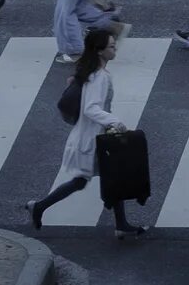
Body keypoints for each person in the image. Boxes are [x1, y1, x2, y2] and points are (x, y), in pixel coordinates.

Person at [26, 27, 148, 237]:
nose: (115, 48)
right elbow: (91, 108)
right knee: (89, 180)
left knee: (109, 177)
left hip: (94, 137)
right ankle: (39, 206)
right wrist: (116, 121)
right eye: (111, 46)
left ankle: (121, 225)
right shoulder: (99, 76)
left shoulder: (92, 72)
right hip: (91, 140)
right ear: (99, 51)